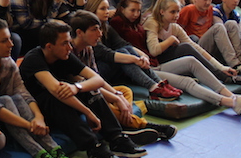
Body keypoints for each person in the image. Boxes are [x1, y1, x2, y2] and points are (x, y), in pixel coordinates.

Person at [19, 21, 145, 158]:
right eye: (64, 43)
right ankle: (93, 147)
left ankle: (116, 138)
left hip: (67, 103)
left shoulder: (65, 55)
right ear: (49, 46)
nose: (70, 47)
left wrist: (77, 87)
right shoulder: (34, 59)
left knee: (90, 89)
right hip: (42, 112)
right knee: (52, 97)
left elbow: (97, 80)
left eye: (69, 42)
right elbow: (56, 91)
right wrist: (88, 112)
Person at [0, 17, 86, 158]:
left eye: (10, 39)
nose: (11, 44)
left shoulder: (8, 63)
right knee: (5, 100)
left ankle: (55, 151)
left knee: (17, 98)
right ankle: (40, 156)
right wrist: (29, 124)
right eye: (4, 41)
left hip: (10, 117)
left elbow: (23, 92)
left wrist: (38, 118)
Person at [110, 0, 241, 113]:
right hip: (143, 69)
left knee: (191, 60)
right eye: (132, 10)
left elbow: (195, 47)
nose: (136, 14)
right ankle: (230, 103)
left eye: (138, 11)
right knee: (186, 82)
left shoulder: (137, 24)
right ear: (122, 9)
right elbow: (129, 46)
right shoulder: (120, 23)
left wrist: (221, 67)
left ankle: (233, 96)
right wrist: (169, 41)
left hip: (154, 64)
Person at [68, 10, 176, 141]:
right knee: (102, 102)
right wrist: (116, 99)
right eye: (94, 30)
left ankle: (125, 123)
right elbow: (87, 87)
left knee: (124, 91)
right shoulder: (69, 52)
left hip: (94, 89)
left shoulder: (88, 49)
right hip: (81, 95)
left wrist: (117, 95)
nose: (100, 34)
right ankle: (144, 125)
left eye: (99, 29)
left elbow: (97, 79)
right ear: (80, 33)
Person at [84, 0, 181, 101]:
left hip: (114, 67)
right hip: (96, 71)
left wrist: (142, 55)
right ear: (93, 10)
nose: (107, 12)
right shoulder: (89, 30)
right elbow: (106, 54)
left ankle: (159, 84)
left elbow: (123, 44)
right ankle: (153, 87)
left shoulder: (106, 27)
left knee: (127, 49)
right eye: (103, 9)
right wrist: (135, 59)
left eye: (107, 8)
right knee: (123, 52)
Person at [177, 0, 241, 81]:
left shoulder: (211, 9)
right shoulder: (188, 10)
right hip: (196, 47)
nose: (208, 2)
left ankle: (240, 64)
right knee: (218, 27)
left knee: (231, 24)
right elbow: (178, 31)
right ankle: (235, 65)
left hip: (209, 47)